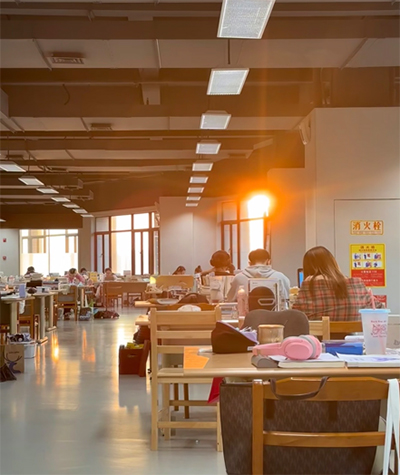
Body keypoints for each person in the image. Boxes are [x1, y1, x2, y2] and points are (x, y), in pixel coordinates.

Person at [292, 246, 381, 320]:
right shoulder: (357, 283)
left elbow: (295, 314)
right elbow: (379, 308)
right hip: (353, 335)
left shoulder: (308, 284)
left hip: (318, 336)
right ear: (332, 263)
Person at [226, 248, 290, 303]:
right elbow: (286, 299)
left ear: (250, 263)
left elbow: (230, 300)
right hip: (274, 313)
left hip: (247, 313)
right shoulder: (280, 277)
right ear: (269, 261)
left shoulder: (238, 278)